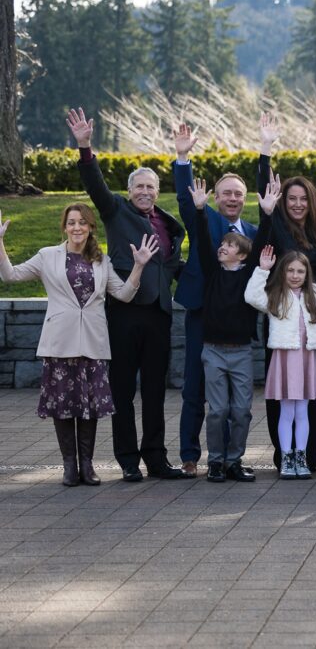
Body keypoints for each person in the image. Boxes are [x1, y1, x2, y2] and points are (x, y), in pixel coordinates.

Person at [67, 108, 188, 482]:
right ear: (130, 190)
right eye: (139, 187)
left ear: (157, 191)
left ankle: (156, 458)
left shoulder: (167, 223)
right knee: (122, 391)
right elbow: (95, 185)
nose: (145, 192)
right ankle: (128, 459)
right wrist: (85, 147)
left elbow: (170, 265)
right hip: (124, 310)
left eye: (151, 187)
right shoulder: (116, 210)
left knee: (155, 392)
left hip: (159, 314)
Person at [0, 206, 157, 486]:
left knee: (89, 405)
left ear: (91, 227)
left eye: (82, 223)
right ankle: (69, 465)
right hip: (60, 342)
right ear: (64, 227)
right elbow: (10, 275)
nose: (76, 228)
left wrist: (139, 266)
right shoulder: (47, 256)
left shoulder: (102, 260)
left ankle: (87, 464)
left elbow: (124, 294)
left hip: (93, 343)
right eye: (71, 222)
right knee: (63, 404)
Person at [172, 123, 258, 478]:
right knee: (195, 388)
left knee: (233, 402)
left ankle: (226, 459)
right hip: (201, 316)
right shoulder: (204, 218)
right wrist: (182, 158)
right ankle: (190, 455)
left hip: (236, 327)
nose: (232, 199)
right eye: (226, 194)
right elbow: (185, 201)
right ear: (216, 198)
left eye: (238, 194)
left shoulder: (252, 234)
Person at [256, 112, 316, 472]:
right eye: (292, 198)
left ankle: (307, 456)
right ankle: (283, 454)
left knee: (314, 391)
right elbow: (265, 193)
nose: (298, 203)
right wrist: (266, 148)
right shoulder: (276, 227)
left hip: (314, 325)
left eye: (303, 198)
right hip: (282, 322)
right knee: (282, 393)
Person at [189, 176, 274, 482]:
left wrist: (267, 214)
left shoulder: (250, 276)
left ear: (242, 254)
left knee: (241, 410)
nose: (222, 247)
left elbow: (261, 241)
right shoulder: (212, 273)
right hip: (213, 351)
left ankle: (234, 460)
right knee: (217, 410)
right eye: (222, 244)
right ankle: (215, 461)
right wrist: (200, 210)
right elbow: (202, 240)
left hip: (241, 353)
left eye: (229, 245)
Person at [245, 246, 316, 478]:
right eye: (290, 270)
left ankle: (301, 457)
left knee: (303, 410)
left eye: (300, 271)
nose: (295, 275)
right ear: (282, 272)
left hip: (306, 360)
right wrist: (262, 270)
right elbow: (251, 297)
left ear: (307, 274)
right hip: (284, 359)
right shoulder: (275, 295)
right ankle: (287, 458)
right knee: (286, 411)